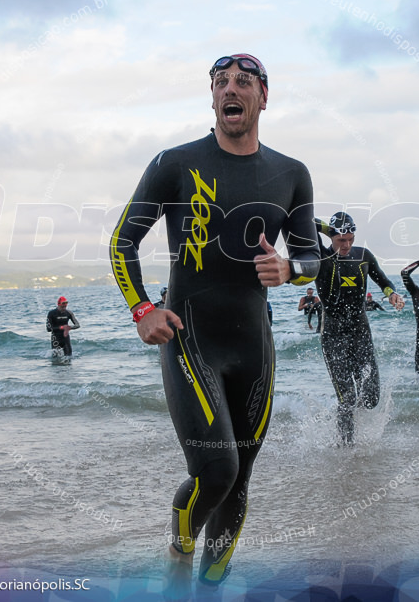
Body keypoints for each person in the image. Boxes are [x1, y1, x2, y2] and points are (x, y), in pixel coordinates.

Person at [109, 53, 320, 590]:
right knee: (217, 471)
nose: (232, 89)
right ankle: (180, 548)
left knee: (241, 479)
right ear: (212, 99)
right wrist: (142, 309)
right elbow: (122, 241)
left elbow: (313, 259)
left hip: (255, 346)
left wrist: (289, 268)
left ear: (263, 98)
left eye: (244, 82)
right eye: (221, 82)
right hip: (190, 341)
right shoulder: (175, 163)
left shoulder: (291, 174)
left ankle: (210, 589)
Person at [314, 212, 405, 444]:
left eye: (350, 239)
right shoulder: (321, 256)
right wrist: (330, 230)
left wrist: (392, 294)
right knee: (347, 397)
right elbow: (306, 222)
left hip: (360, 331)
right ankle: (347, 446)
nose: (346, 245)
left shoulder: (363, 256)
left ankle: (353, 427)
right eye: (341, 240)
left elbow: (383, 280)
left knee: (371, 397)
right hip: (333, 334)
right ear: (331, 237)